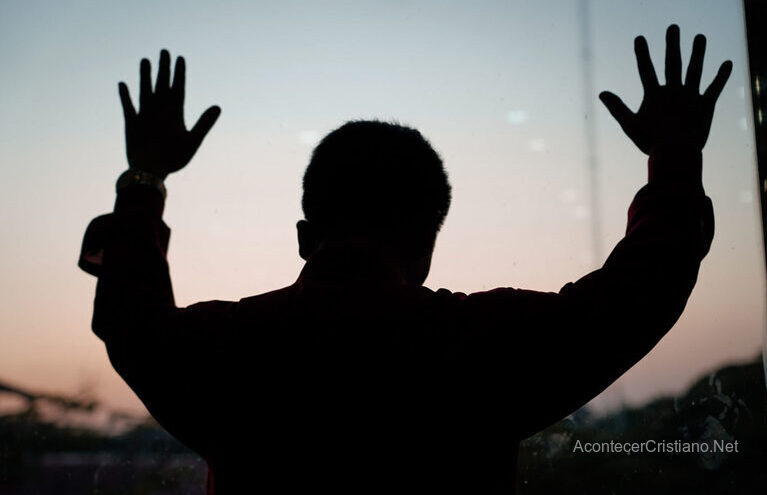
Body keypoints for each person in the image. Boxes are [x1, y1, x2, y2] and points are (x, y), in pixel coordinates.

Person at [79, 24, 731, 494]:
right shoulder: (477, 349)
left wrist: (144, 175)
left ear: (306, 237)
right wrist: (672, 159)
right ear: (424, 240)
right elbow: (640, 289)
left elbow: (131, 320)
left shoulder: (226, 353)